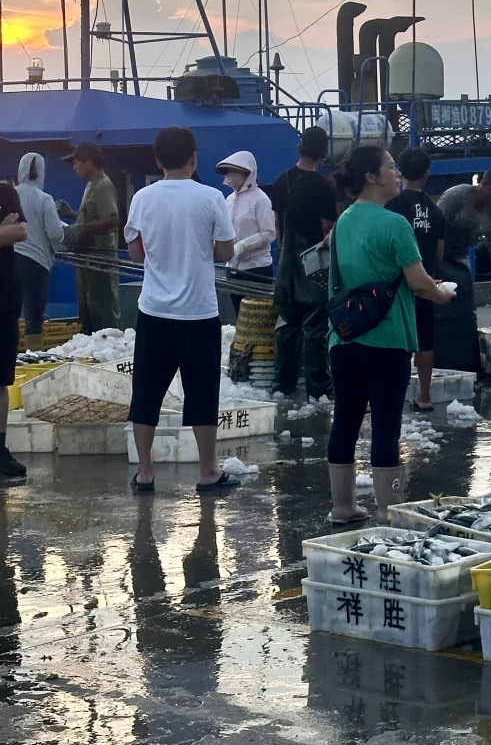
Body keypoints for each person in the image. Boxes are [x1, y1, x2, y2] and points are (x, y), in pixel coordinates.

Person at [325, 146, 455, 526]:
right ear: (371, 177)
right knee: (385, 423)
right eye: (390, 166)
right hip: (386, 338)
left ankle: (342, 507)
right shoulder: (395, 224)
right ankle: (386, 511)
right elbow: (418, 283)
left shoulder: (344, 221)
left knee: (345, 419)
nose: (396, 172)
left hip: (344, 337)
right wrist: (442, 293)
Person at [125, 126, 239, 494]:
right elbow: (225, 252)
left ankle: (145, 472)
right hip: (199, 313)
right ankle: (208, 471)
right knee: (202, 392)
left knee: (146, 391)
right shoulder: (211, 198)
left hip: (154, 311)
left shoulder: (142, 198)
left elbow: (136, 253)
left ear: (158, 161)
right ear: (194, 158)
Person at [271, 126, 338, 402]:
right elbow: (327, 229)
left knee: (287, 323)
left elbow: (278, 226)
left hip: (286, 263)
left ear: (301, 149)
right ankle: (317, 387)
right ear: (324, 153)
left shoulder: (280, 180)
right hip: (313, 264)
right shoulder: (323, 187)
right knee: (315, 326)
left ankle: (283, 384)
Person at [387, 146, 446, 412]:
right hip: (425, 282)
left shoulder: (392, 207)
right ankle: (425, 395)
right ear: (427, 173)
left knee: (396, 340)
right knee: (424, 339)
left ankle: (391, 394)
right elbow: (439, 252)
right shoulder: (435, 211)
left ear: (400, 172)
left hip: (395, 285)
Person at [433, 169, 491, 374]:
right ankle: (442, 361)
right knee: (441, 309)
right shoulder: (457, 195)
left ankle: (468, 361)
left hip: (460, 254)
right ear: (485, 185)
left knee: (466, 309)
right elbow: (434, 226)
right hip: (439, 253)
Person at [57, 143, 121, 333]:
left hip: (101, 261)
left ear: (90, 162)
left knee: (103, 309)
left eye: (77, 163)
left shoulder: (103, 185)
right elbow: (93, 218)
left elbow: (113, 219)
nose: (75, 167)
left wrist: (80, 228)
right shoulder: (90, 185)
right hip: (88, 259)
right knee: (90, 308)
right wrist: (72, 215)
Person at [14, 154, 65, 349]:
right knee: (33, 318)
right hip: (36, 263)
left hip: (10, 261)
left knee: (10, 313)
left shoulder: (11, 194)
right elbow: (55, 233)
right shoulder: (45, 199)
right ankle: (33, 356)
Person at [216, 151, 276, 317]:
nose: (229, 175)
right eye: (227, 171)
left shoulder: (261, 199)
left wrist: (242, 246)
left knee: (259, 318)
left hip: (257, 268)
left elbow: (270, 233)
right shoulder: (228, 200)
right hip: (234, 268)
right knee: (240, 317)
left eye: (233, 171)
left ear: (247, 174)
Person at [0, 184, 28, 480]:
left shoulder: (6, 193)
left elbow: (21, 232)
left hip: (4, 300)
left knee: (1, 378)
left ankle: (0, 450)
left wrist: (9, 230)